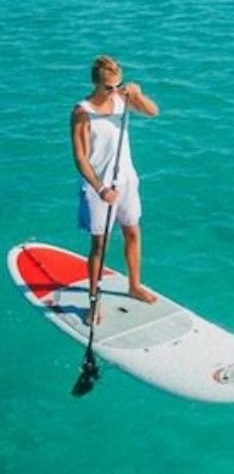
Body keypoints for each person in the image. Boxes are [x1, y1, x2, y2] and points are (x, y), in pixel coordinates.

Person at [71, 55, 159, 325]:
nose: (114, 91)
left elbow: (153, 112)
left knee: (132, 231)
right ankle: (94, 303)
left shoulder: (123, 100)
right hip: (99, 187)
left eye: (117, 85)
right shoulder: (82, 112)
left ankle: (134, 285)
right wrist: (99, 189)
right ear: (96, 84)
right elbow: (81, 158)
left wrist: (137, 94)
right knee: (100, 246)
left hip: (126, 181)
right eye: (108, 87)